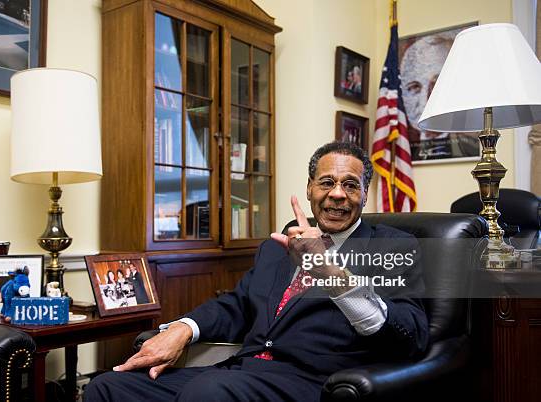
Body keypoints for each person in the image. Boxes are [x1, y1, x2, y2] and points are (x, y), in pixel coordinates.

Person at [84, 141, 429, 402]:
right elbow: (237, 305)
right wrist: (182, 329)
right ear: (310, 189)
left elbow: (411, 335)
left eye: (350, 185)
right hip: (242, 371)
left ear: (365, 194)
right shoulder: (277, 246)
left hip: (315, 381)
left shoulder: (394, 247)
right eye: (326, 183)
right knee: (109, 388)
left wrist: (329, 271)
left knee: (209, 391)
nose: (337, 194)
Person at [400, 33, 478, 161]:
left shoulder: (472, 146)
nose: (425, 101)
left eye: (436, 86)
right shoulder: (399, 158)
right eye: (414, 87)